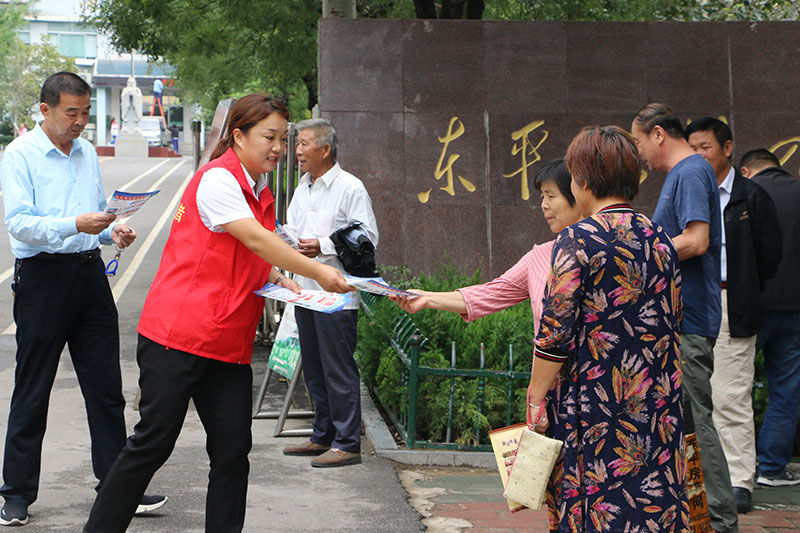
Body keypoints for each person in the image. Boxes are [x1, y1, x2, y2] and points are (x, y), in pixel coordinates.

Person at [83, 96, 352, 532]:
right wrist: (317, 271)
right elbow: (256, 239)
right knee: (152, 444)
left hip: (228, 343)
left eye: (283, 139)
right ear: (239, 135)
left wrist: (276, 276)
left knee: (231, 452)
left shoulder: (258, 187)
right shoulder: (217, 180)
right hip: (179, 336)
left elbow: (250, 252)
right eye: (269, 137)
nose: (279, 148)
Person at [0, 71, 165, 528]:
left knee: (106, 389)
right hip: (42, 281)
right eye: (71, 113)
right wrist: (77, 224)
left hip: (90, 276)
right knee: (33, 389)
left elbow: (97, 210)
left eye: (85, 113)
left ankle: (116, 485)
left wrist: (114, 229)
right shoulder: (20, 156)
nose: (79, 122)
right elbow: (20, 224)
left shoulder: (87, 151)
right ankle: (15, 492)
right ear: (45, 110)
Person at [527, 125, 688, 531]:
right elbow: (673, 319)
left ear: (581, 180)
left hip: (597, 404)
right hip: (657, 402)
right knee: (652, 503)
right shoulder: (661, 240)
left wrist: (535, 397)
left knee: (596, 505)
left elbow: (555, 330)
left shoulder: (578, 239)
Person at [632, 103, 737, 532]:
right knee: (684, 422)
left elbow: (696, 240)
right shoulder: (684, 174)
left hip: (689, 321)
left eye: (638, 141)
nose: (638, 153)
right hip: (679, 320)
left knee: (695, 420)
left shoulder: (691, 171)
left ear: (658, 134)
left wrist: (640, 252)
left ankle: (719, 519)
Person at [685, 118, 782, 513]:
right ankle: (700, 481)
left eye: (704, 147)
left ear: (727, 149)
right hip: (692, 302)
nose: (698, 155)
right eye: (691, 147)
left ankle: (739, 480)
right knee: (694, 396)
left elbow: (770, 256)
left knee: (730, 395)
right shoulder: (688, 188)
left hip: (730, 301)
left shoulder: (750, 197)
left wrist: (742, 286)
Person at [389, 158, 581, 346]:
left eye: (551, 196)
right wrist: (426, 298)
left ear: (579, 194)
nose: (544, 205)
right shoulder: (540, 257)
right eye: (542, 197)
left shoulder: (605, 252)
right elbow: (489, 294)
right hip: (549, 375)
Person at [281, 118, 378, 468]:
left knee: (338, 368)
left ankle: (348, 441)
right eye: (297, 144)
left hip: (336, 293)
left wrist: (321, 245)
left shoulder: (350, 187)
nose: (297, 151)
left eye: (304, 143)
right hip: (305, 292)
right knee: (315, 367)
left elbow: (368, 236)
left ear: (325, 148)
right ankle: (322, 435)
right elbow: (293, 228)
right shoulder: (302, 188)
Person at [740, 149, 800, 488]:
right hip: (796, 309)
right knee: (786, 391)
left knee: (734, 389)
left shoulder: (745, 194)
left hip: (751, 307)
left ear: (747, 170)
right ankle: (772, 468)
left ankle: (735, 469)